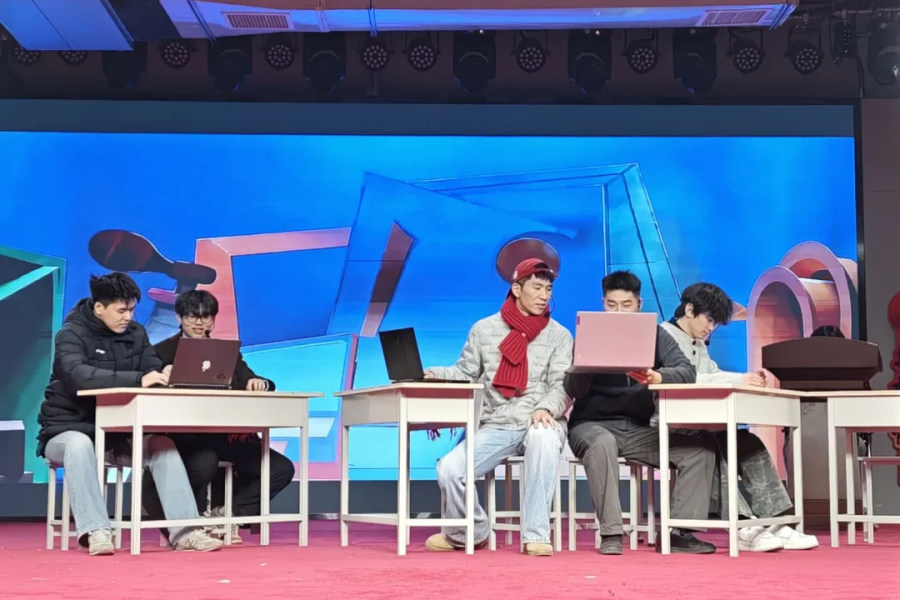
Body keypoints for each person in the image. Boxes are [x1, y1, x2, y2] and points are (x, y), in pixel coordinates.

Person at [36, 273, 223, 555]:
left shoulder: (137, 333)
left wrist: (163, 373)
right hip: (66, 430)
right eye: (121, 310)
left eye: (132, 310)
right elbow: (79, 376)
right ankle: (96, 531)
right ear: (99, 307)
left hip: (118, 433)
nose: (128, 317)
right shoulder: (70, 334)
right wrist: (139, 379)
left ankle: (185, 531)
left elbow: (151, 368)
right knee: (79, 444)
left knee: (161, 444)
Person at [423, 258, 573, 556]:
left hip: (539, 420)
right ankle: (470, 532)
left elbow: (562, 385)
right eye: (537, 288)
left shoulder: (560, 335)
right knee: (450, 469)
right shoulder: (484, 329)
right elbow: (465, 372)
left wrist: (546, 409)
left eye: (548, 289)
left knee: (543, 436)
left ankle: (536, 535)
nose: (544, 296)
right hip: (497, 424)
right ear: (517, 289)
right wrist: (434, 374)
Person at [565, 270, 717, 555]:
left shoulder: (656, 335)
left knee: (700, 452)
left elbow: (686, 371)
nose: (619, 312)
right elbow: (573, 389)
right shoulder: (590, 333)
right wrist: (585, 363)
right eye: (612, 305)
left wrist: (658, 377)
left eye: (626, 305)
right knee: (602, 443)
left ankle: (678, 533)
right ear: (603, 303)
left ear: (639, 304)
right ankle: (611, 533)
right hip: (591, 425)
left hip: (638, 429)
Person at [660, 282, 819, 551]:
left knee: (748, 443)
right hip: (672, 426)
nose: (711, 328)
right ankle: (743, 525)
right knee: (713, 447)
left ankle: (777, 520)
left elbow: (711, 372)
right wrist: (739, 379)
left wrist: (745, 379)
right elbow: (688, 379)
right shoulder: (664, 337)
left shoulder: (697, 341)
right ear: (689, 309)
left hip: (702, 423)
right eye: (709, 320)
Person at [153, 290, 295, 543]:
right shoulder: (162, 352)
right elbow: (148, 387)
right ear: (178, 317)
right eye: (193, 316)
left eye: (207, 317)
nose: (200, 323)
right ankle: (189, 522)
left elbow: (258, 379)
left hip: (229, 436)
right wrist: (164, 377)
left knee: (281, 469)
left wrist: (258, 383)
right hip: (188, 437)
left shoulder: (227, 352)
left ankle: (227, 515)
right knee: (204, 463)